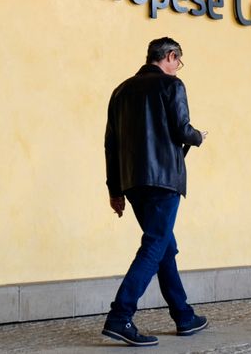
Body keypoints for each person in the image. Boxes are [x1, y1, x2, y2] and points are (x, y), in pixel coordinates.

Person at [101, 37, 208, 347]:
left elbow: (111, 144)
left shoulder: (120, 91)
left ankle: (184, 315)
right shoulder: (172, 85)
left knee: (165, 247)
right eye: (178, 61)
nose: (178, 67)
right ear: (170, 56)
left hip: (133, 183)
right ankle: (120, 317)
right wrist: (198, 137)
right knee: (154, 246)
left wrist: (114, 189)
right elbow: (181, 129)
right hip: (163, 180)